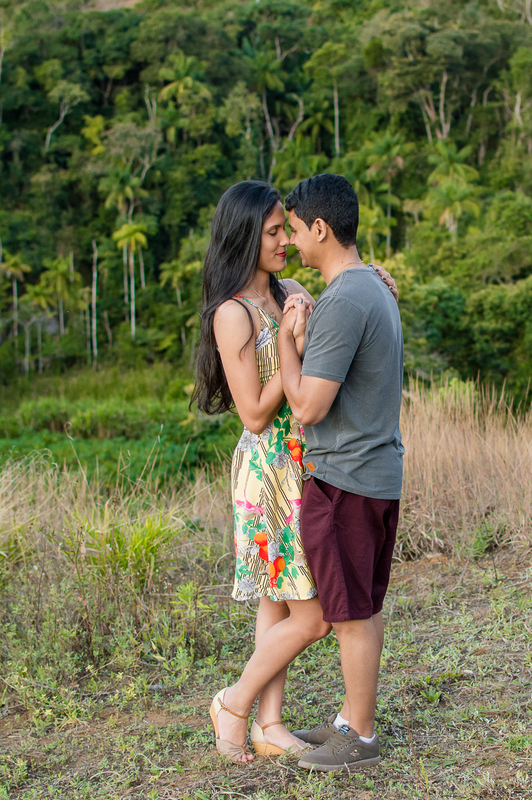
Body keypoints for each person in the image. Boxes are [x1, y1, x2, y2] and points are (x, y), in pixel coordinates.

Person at [192, 180, 397, 763]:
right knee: (314, 616)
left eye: (288, 229)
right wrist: (287, 342)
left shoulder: (295, 290)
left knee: (277, 604)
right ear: (244, 237)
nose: (285, 240)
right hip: (269, 469)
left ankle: (268, 723)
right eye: (273, 232)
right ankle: (234, 703)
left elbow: (338, 332)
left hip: (307, 460)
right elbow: (255, 415)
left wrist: (372, 278)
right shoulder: (232, 314)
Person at [276, 174, 404, 772]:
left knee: (349, 614)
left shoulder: (345, 299)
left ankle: (361, 738)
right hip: (374, 472)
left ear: (321, 228)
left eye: (296, 230)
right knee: (362, 607)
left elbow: (306, 407)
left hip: (345, 478)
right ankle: (352, 721)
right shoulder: (370, 287)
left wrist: (286, 341)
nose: (292, 242)